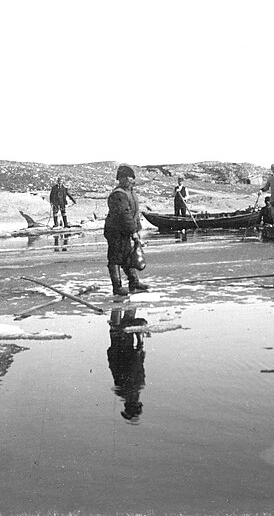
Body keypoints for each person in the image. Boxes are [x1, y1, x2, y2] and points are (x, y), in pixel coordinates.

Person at [103, 164, 149, 296]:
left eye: (131, 177)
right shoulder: (118, 194)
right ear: (120, 179)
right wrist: (133, 231)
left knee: (128, 256)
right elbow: (124, 215)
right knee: (116, 258)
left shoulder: (131, 192)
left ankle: (133, 282)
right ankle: (117, 287)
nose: (130, 180)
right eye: (127, 177)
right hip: (115, 231)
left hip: (125, 230)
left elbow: (134, 213)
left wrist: (137, 228)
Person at [107, 308, 146, 423]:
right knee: (121, 322)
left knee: (121, 321)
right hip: (120, 346)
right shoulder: (128, 389)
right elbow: (136, 366)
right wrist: (139, 348)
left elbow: (135, 366)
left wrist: (139, 348)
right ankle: (123, 300)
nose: (139, 402)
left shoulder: (132, 388)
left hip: (121, 346)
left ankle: (121, 299)